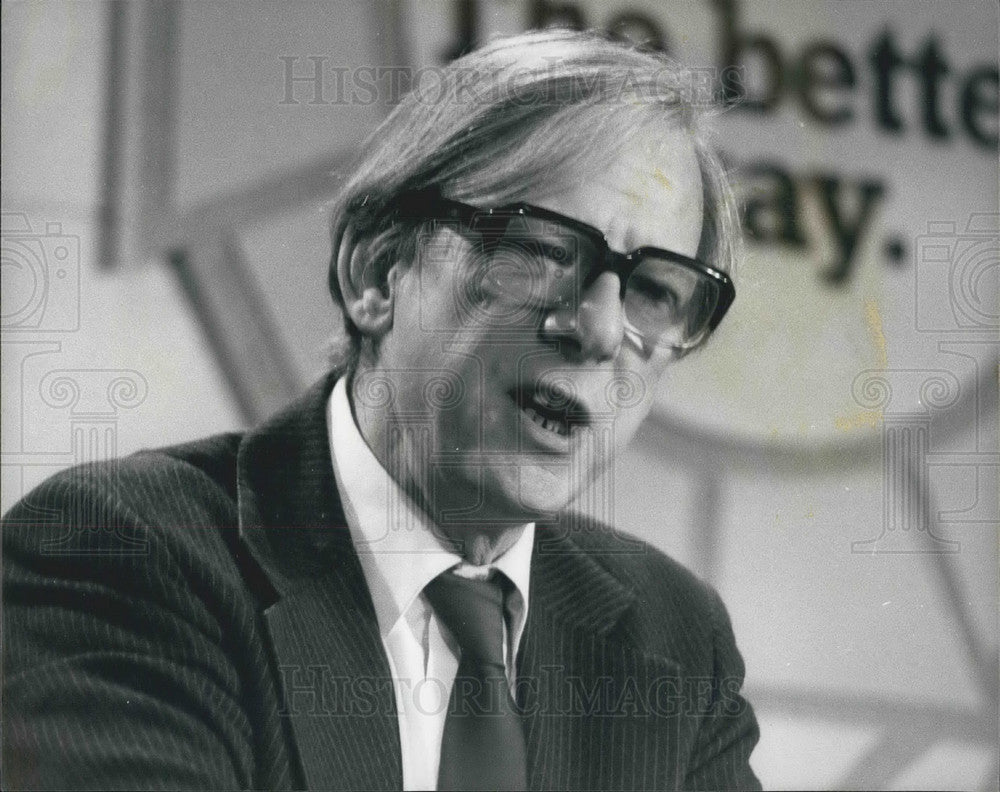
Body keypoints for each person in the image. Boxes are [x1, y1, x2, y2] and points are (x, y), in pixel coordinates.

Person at [3, 29, 760, 791]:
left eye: (656, 292)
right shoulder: (123, 555)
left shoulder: (675, 642)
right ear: (376, 272)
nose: (597, 331)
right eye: (540, 250)